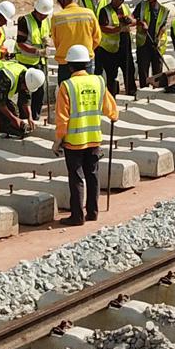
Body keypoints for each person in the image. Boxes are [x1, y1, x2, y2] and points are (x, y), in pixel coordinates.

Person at [50, 46, 118, 227]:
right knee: (93, 175)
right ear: (87, 65)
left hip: (74, 142)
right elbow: (111, 109)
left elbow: (62, 118)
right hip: (94, 138)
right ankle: (93, 212)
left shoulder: (67, 86)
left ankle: (77, 216)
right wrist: (113, 116)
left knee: (76, 178)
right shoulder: (98, 81)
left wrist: (58, 141)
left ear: (70, 66)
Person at [16, 0, 54, 122]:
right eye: (41, 14)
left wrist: (48, 41)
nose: (43, 16)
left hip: (40, 62)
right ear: (36, 10)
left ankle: (36, 117)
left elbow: (47, 34)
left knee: (40, 91)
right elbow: (21, 43)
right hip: (26, 62)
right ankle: (24, 118)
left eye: (45, 14)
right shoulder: (24, 20)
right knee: (25, 92)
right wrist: (37, 51)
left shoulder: (47, 20)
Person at [52, 0, 100, 83]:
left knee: (66, 93)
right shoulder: (89, 13)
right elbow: (97, 38)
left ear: (63, 0)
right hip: (85, 60)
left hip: (65, 61)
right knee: (86, 92)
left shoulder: (57, 17)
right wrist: (86, 51)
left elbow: (56, 41)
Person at [96, 0, 138, 97]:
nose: (117, 1)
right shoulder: (105, 11)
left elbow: (133, 20)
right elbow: (103, 28)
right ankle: (112, 96)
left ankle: (131, 93)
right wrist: (118, 29)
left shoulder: (124, 8)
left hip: (124, 47)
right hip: (109, 51)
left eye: (120, 0)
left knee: (129, 71)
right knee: (112, 75)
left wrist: (131, 20)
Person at [134, 0, 171, 88]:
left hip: (156, 44)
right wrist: (141, 23)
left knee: (157, 69)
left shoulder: (164, 10)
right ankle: (144, 89)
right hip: (143, 43)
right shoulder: (141, 6)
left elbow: (163, 25)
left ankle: (157, 88)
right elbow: (133, 18)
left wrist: (158, 37)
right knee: (143, 68)